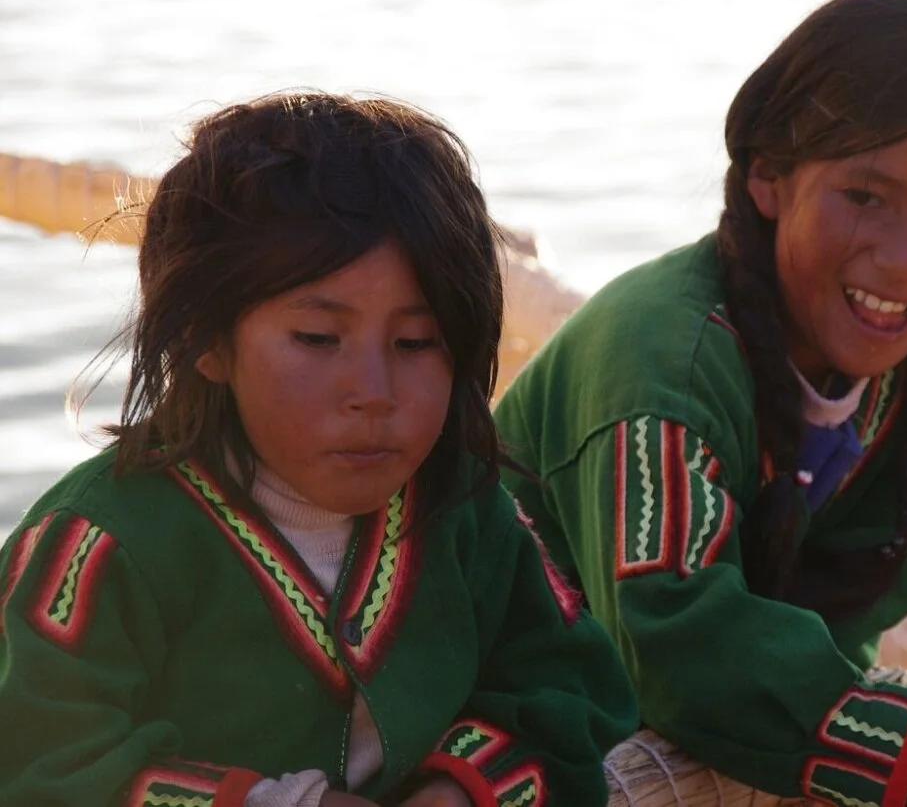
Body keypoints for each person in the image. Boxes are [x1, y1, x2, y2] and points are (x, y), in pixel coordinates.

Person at [492, 0, 907, 806]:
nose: (904, 262)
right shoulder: (662, 365)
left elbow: (874, 579)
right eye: (866, 197)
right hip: (509, 704)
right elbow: (672, 637)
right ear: (767, 176)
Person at [0, 92, 637, 807]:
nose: (373, 390)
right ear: (205, 339)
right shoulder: (98, 545)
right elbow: (37, 765)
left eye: (416, 342)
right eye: (316, 338)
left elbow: (570, 689)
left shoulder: (467, 511)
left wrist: (455, 789)